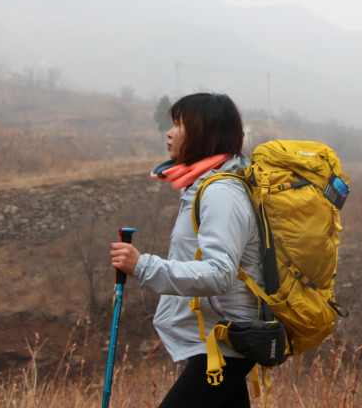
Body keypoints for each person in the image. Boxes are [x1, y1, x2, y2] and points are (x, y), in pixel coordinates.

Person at [110, 93, 263, 408]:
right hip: (216, 338)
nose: (169, 132)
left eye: (178, 124)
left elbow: (220, 272)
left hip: (227, 338)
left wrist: (143, 266)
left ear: (204, 133)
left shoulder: (222, 192)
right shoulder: (207, 185)